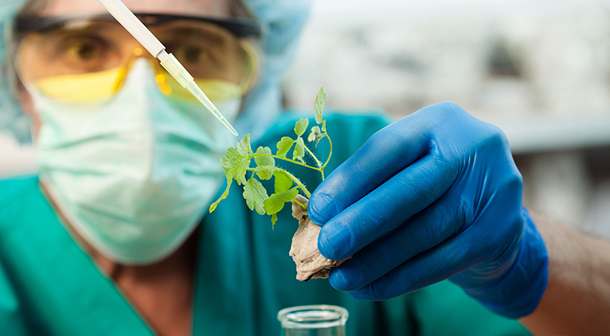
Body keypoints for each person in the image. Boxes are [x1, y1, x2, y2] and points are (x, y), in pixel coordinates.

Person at [0, 0, 609, 335]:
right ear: (18, 84)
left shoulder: (358, 172)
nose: (141, 97)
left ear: (255, 75)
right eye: (82, 48)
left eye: (190, 52)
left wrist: (528, 256)